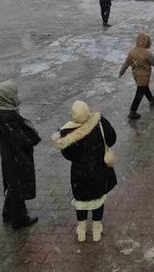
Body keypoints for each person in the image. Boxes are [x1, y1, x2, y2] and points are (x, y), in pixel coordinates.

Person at [51, 100, 117, 243]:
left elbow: (68, 155)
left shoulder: (66, 131)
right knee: (97, 199)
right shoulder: (99, 122)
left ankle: (81, 230)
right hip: (98, 169)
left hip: (79, 173)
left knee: (81, 200)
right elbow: (112, 138)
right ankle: (96, 229)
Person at [0, 81, 40, 229]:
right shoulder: (6, 116)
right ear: (6, 96)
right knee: (18, 186)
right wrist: (30, 141)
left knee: (13, 183)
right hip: (16, 155)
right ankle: (20, 219)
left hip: (9, 152)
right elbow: (18, 138)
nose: (16, 97)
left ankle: (8, 213)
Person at [118, 32, 154, 120]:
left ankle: (151, 99)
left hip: (136, 75)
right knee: (140, 93)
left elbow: (126, 63)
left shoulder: (132, 52)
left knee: (144, 87)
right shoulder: (147, 53)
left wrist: (121, 72)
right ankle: (132, 111)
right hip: (144, 75)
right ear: (147, 42)